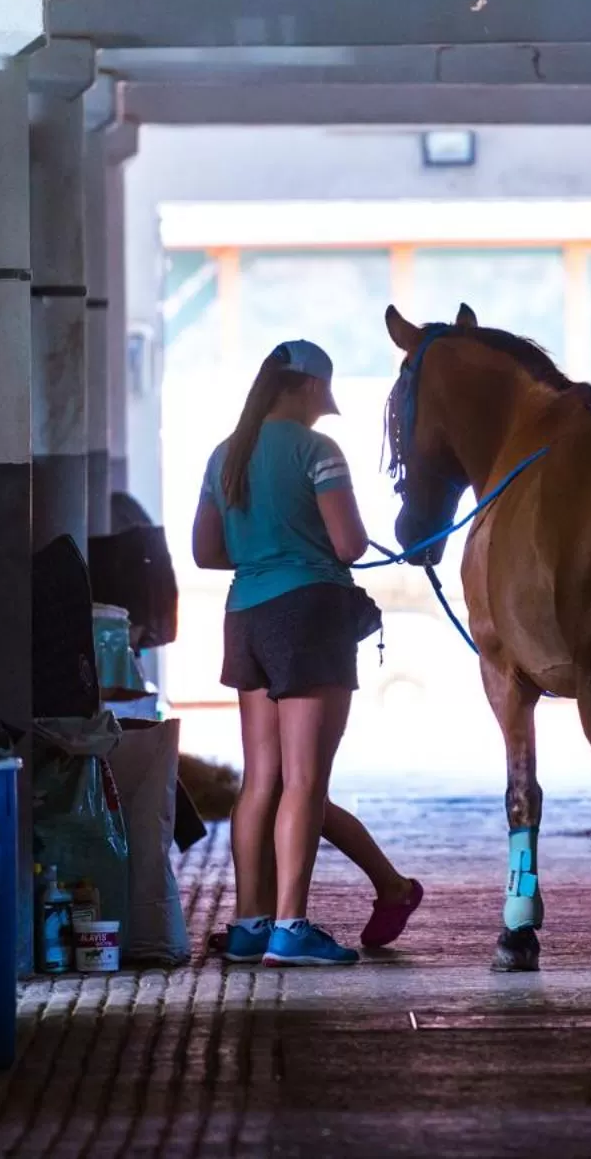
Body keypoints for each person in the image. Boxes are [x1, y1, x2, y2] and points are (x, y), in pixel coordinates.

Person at [193, 340, 423, 968]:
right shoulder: (318, 451)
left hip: (245, 615)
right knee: (305, 780)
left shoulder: (225, 455)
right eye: (324, 392)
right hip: (309, 613)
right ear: (307, 389)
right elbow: (349, 545)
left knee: (259, 779)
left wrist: (266, 544)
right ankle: (291, 928)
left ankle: (248, 925)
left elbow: (206, 552)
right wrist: (307, 544)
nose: (326, 405)